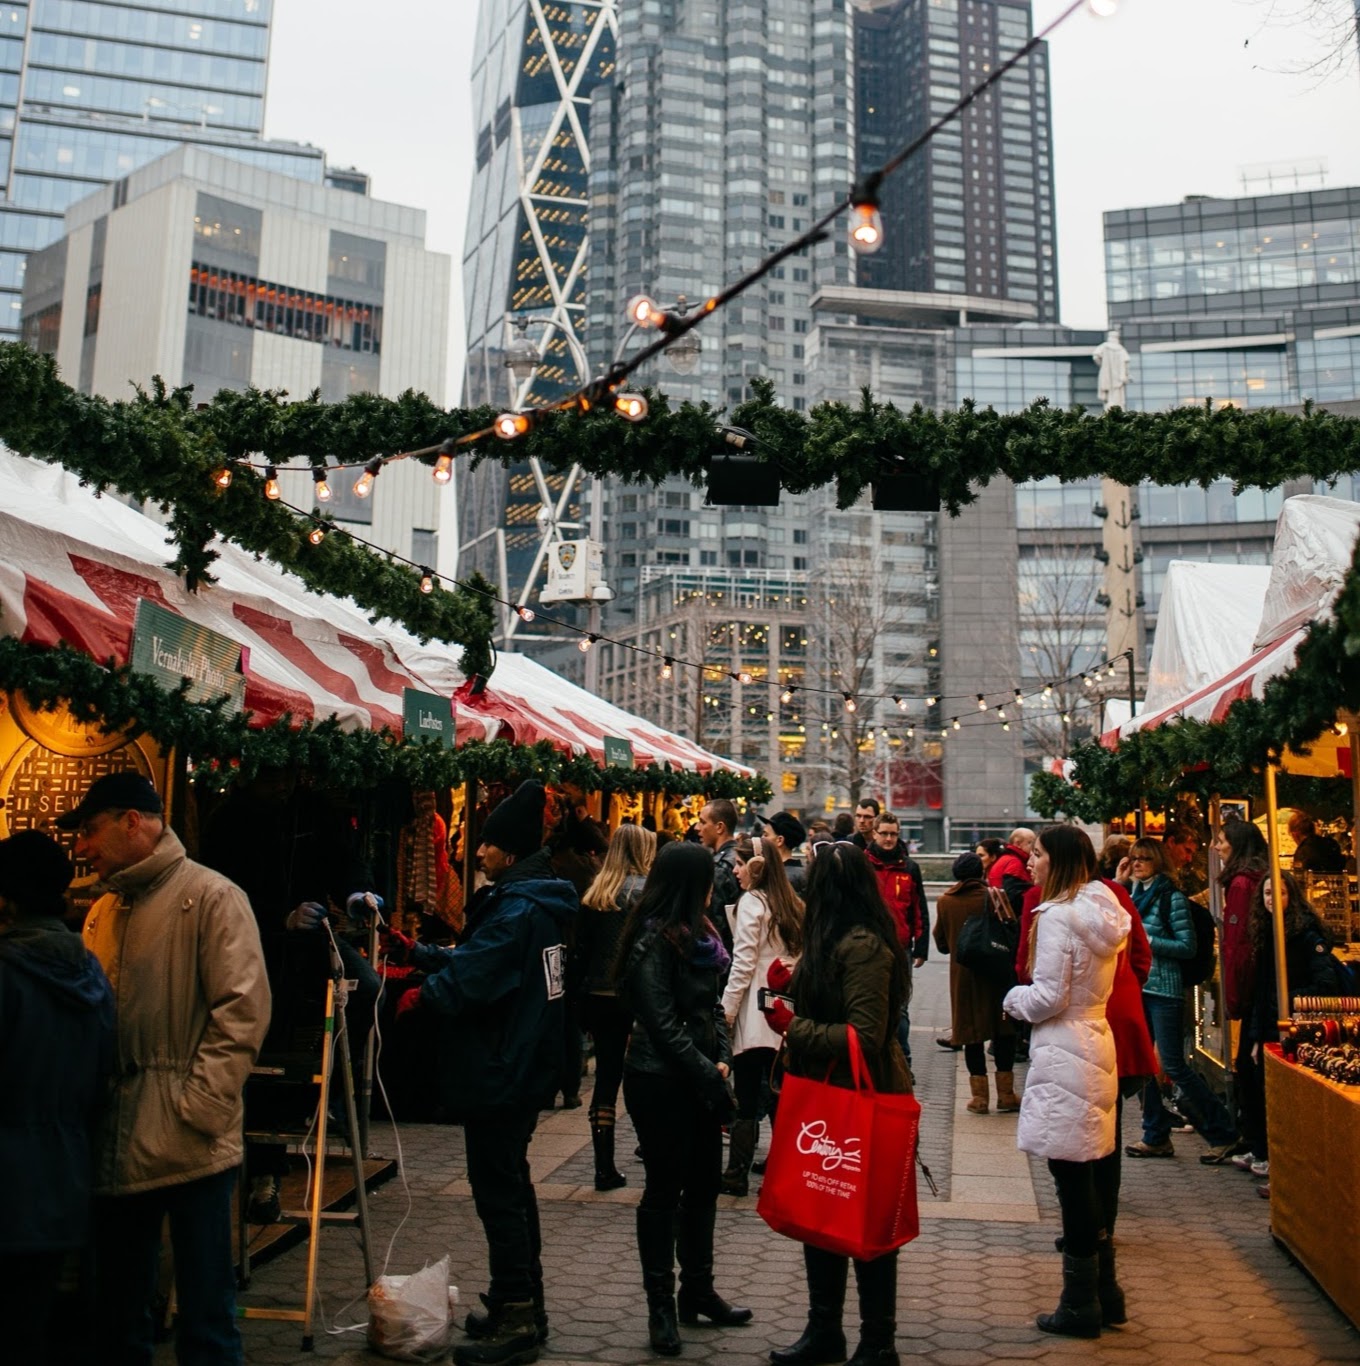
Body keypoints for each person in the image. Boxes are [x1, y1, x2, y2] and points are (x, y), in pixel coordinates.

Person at [62, 772, 270, 1366]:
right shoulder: (103, 911)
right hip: (118, 1138)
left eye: (91, 830)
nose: (81, 847)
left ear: (134, 822)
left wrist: (200, 1107)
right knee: (120, 1313)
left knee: (205, 1317)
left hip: (192, 1143)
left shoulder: (211, 896)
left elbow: (243, 1009)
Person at [387, 780, 574, 1365]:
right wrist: (418, 953)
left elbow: (472, 979)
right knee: (511, 1187)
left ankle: (516, 1317)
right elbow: (481, 959)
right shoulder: (537, 902)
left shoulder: (517, 906)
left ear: (510, 853)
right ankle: (521, 1302)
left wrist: (421, 994)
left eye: (489, 844)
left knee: (500, 1193)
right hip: (522, 1065)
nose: (480, 851)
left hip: (502, 1068)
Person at [200, 767, 382, 1223]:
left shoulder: (313, 808)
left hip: (312, 939)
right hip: (250, 944)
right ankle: (266, 1171)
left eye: (287, 778)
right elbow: (220, 889)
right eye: (271, 779)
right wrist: (277, 917)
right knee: (266, 1044)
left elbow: (345, 859)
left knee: (367, 989)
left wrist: (358, 893)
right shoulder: (227, 820)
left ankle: (327, 1100)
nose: (282, 786)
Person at [764, 841, 912, 1366]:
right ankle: (823, 1329)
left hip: (861, 1094)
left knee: (868, 1222)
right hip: (825, 1092)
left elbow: (866, 1035)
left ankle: (878, 1342)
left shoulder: (864, 943)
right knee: (819, 1211)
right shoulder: (833, 938)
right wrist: (794, 984)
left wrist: (794, 1026)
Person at [614, 841, 750, 1357]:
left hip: (698, 1077)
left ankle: (698, 1288)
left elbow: (711, 1004)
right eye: (708, 881)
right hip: (659, 1080)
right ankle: (661, 1305)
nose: (717, 887)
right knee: (664, 1190)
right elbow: (661, 1023)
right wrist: (707, 1071)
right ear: (688, 884)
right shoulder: (653, 942)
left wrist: (721, 1054)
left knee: (704, 1185)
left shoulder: (703, 936)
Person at [1003, 825, 1129, 1340]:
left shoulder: (1058, 917)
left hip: (1064, 1047)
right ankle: (1105, 1292)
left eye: (1037, 854)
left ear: (1057, 861)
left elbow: (1049, 994)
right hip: (1095, 1040)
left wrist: (1013, 999)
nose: (1030, 861)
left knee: (1071, 1176)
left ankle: (1080, 1304)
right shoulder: (1101, 907)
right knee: (1093, 1169)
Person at [0, 830, 115, 1364]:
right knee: (33, 1325)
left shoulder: (8, 973)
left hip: (9, 1177)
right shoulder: (91, 972)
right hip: (66, 1174)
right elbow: (103, 1074)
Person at [1121, 839, 1239, 1162]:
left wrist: (1148, 941)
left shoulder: (1170, 897)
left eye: (1144, 858)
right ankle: (1155, 1134)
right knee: (1144, 1064)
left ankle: (1224, 1132)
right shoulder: (1135, 893)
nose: (1138, 863)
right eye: (1134, 858)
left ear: (1158, 861)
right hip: (1141, 988)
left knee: (1173, 1064)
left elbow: (1186, 946)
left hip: (1166, 990)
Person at [1237, 868, 1348, 1188]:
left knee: (1282, 1097)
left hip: (1295, 1026)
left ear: (1292, 895)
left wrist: (1286, 1000)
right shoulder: (1266, 931)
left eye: (1280, 893)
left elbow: (1324, 984)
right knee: (1256, 1084)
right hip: (1270, 1022)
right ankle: (1265, 1153)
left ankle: (1281, 1165)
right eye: (1268, 893)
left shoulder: (1305, 934)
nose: (1273, 899)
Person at [719, 834, 803, 1196]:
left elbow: (743, 963)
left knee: (748, 1095)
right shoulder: (790, 902)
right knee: (780, 1092)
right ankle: (784, 1167)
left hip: (754, 1010)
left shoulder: (753, 902)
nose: (735, 871)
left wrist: (726, 1010)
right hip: (783, 1011)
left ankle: (736, 1173)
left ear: (755, 867)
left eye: (739, 863)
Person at [578, 824, 656, 1191]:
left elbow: (583, 948)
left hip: (597, 995)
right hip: (635, 997)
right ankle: (651, 1148)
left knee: (606, 1079)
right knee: (642, 1077)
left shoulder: (596, 892)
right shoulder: (645, 892)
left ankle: (603, 1165)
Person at [933, 851, 1018, 1113]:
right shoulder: (994, 895)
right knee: (1004, 1030)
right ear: (980, 873)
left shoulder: (945, 901)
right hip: (997, 974)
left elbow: (942, 943)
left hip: (964, 977)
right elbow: (1011, 929)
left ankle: (979, 1099)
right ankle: (1006, 1095)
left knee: (970, 1033)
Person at [1213, 818, 1268, 1169]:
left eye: (1221, 841)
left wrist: (1234, 996)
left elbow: (1238, 948)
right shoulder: (1250, 879)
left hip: (1252, 991)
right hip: (1254, 987)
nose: (1217, 847)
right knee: (1249, 1070)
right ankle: (1255, 1143)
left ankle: (1259, 1146)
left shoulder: (1242, 884)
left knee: (1250, 1070)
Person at [864, 811, 928, 1065]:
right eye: (884, 834)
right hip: (869, 947)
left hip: (901, 948)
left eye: (893, 834)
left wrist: (921, 947)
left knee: (900, 1008)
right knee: (871, 1004)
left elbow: (918, 908)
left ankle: (903, 1061)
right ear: (874, 834)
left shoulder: (910, 867)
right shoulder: (863, 864)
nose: (889, 839)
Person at [696, 798, 741, 952]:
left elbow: (716, 921)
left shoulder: (719, 867)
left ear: (720, 827)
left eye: (702, 822)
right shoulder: (740, 857)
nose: (697, 827)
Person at [990, 828, 1036, 914]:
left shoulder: (1005, 859)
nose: (1033, 847)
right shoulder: (1015, 862)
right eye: (1030, 843)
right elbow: (1013, 895)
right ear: (1018, 844)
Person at [763, 811, 808, 894]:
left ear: (779, 840)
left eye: (766, 835)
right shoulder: (803, 873)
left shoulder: (781, 877)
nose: (762, 838)